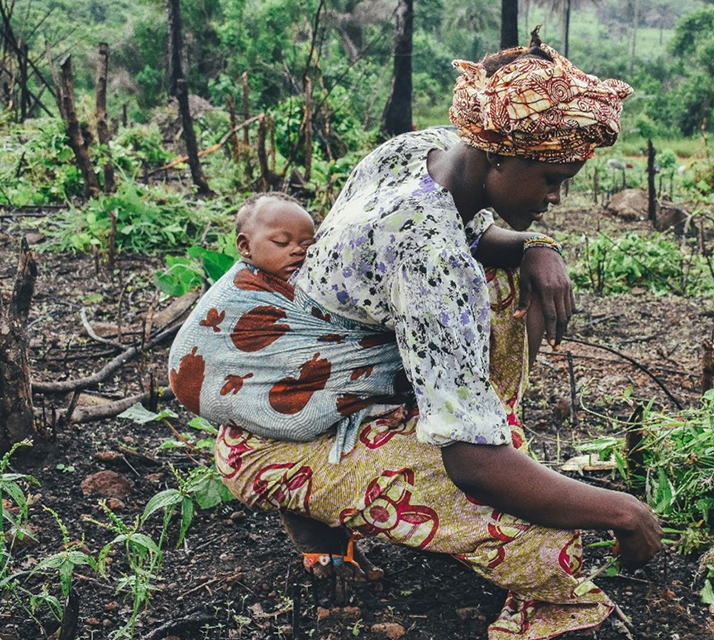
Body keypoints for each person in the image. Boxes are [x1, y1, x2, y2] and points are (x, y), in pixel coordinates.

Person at [170, 32, 662, 640]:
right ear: (498, 158)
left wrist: (536, 244)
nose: (556, 198)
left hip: (323, 382)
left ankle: (456, 436)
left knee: (507, 283)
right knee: (555, 544)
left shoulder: (424, 151)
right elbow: (474, 466)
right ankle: (545, 607)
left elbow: (475, 237)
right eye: (551, 179)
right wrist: (622, 512)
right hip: (275, 439)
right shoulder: (427, 254)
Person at [170, 192, 391, 580]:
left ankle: (341, 553)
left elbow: (331, 339)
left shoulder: (309, 286)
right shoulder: (240, 292)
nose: (297, 252)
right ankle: (324, 558)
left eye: (307, 244)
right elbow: (211, 351)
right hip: (259, 427)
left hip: (304, 416)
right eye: (282, 242)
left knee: (320, 474)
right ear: (245, 246)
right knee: (302, 480)